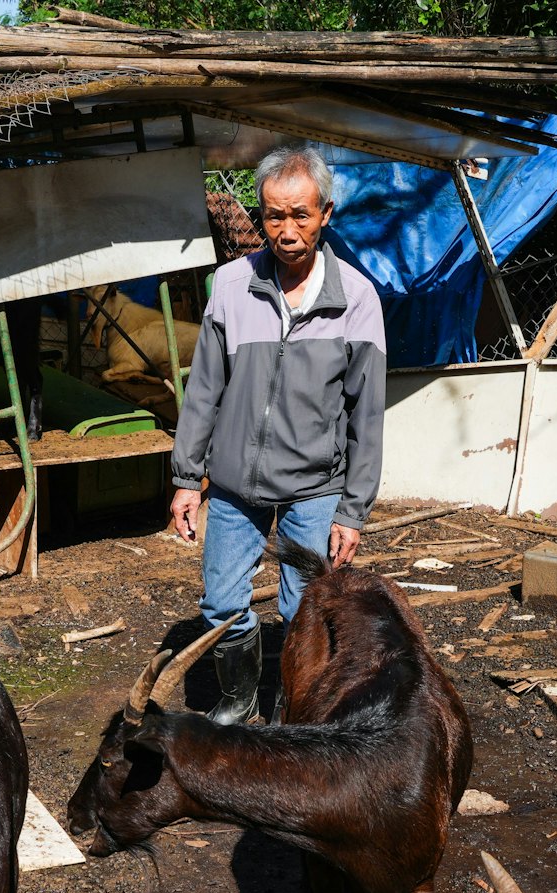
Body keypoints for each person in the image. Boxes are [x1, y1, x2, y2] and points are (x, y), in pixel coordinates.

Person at [168, 144, 388, 724]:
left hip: (315, 489)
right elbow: (203, 392)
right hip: (237, 485)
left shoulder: (358, 300)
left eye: (300, 215)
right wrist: (188, 478)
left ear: (326, 214)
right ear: (259, 215)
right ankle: (239, 699)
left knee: (305, 609)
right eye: (274, 215)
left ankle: (295, 709)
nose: (287, 230)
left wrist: (353, 511)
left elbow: (367, 416)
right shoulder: (231, 286)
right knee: (220, 603)